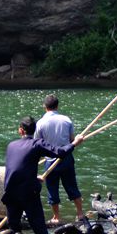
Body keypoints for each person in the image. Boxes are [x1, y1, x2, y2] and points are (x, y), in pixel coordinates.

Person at [1, 115, 83, 234]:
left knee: (14, 226)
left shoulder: (11, 145)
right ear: (35, 130)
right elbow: (60, 152)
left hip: (10, 191)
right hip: (28, 192)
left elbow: (16, 167)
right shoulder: (37, 144)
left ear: (20, 131)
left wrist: (33, 178)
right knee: (38, 223)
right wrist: (75, 143)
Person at [35, 93, 84, 225]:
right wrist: (77, 141)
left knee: (52, 189)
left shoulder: (40, 123)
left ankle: (56, 217)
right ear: (57, 106)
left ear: (45, 106)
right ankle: (80, 214)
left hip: (50, 160)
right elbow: (72, 141)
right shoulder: (66, 120)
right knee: (72, 186)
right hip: (66, 157)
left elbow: (37, 144)